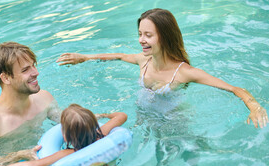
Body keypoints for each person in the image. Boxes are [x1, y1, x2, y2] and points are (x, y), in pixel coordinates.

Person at [56, 8, 268, 128]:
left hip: (175, 123)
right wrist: (85, 57)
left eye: (148, 35)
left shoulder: (183, 72)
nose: (141, 40)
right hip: (144, 116)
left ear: (164, 37)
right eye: (140, 34)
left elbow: (233, 89)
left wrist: (254, 106)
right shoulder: (143, 60)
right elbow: (119, 56)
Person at [0, 42, 61, 166]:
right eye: (25, 70)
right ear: (6, 78)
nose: (36, 72)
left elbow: (65, 121)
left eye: (33, 65)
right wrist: (17, 155)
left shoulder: (44, 98)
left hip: (42, 163)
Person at [0, 104, 127, 166]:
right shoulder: (101, 133)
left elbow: (33, 165)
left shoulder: (67, 153)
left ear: (65, 137)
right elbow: (122, 116)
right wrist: (103, 115)